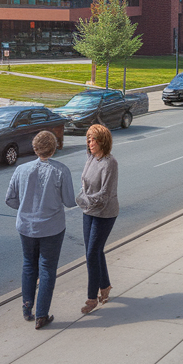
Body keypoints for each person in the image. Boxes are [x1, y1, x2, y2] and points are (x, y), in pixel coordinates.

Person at [4, 130, 76, 330]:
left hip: (26, 227)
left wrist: (27, 209)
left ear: (35, 149)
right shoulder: (61, 170)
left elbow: (10, 199)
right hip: (51, 228)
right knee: (47, 269)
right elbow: (70, 201)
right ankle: (42, 315)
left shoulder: (21, 170)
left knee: (29, 265)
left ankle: (27, 308)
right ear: (53, 148)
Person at [77, 124, 119, 314]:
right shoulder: (90, 158)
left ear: (103, 141)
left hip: (105, 213)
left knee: (92, 253)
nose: (90, 143)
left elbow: (104, 194)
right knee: (93, 251)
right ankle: (105, 286)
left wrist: (85, 199)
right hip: (88, 211)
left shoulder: (110, 163)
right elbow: (85, 185)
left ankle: (91, 298)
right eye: (88, 139)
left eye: (94, 139)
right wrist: (83, 199)